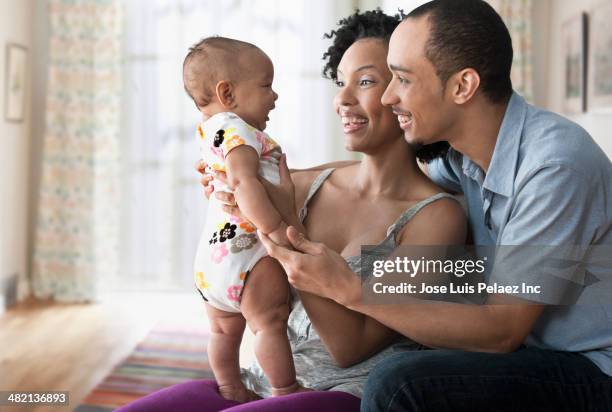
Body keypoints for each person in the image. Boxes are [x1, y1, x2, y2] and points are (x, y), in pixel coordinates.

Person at [259, 1, 612, 411]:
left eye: (403, 80)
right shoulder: (465, 159)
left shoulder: (554, 167)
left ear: (462, 86)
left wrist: (352, 290)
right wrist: (262, 176)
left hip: (590, 367)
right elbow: (381, 171)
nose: (391, 96)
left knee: (398, 383)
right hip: (532, 350)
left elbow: (502, 331)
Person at [116, 10, 463, 412]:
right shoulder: (304, 183)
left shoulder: (435, 217)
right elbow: (240, 193)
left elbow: (350, 348)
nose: (342, 99)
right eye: (340, 82)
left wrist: (294, 226)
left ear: (404, 91)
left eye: (365, 81)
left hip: (341, 394)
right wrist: (222, 180)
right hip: (258, 383)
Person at [183, 36, 309, 401]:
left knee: (222, 331)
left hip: (211, 261)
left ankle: (229, 386)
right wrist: (274, 228)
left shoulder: (211, 128)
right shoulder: (238, 130)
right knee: (269, 324)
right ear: (228, 93)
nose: (275, 96)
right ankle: (285, 389)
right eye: (266, 85)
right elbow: (243, 182)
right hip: (248, 250)